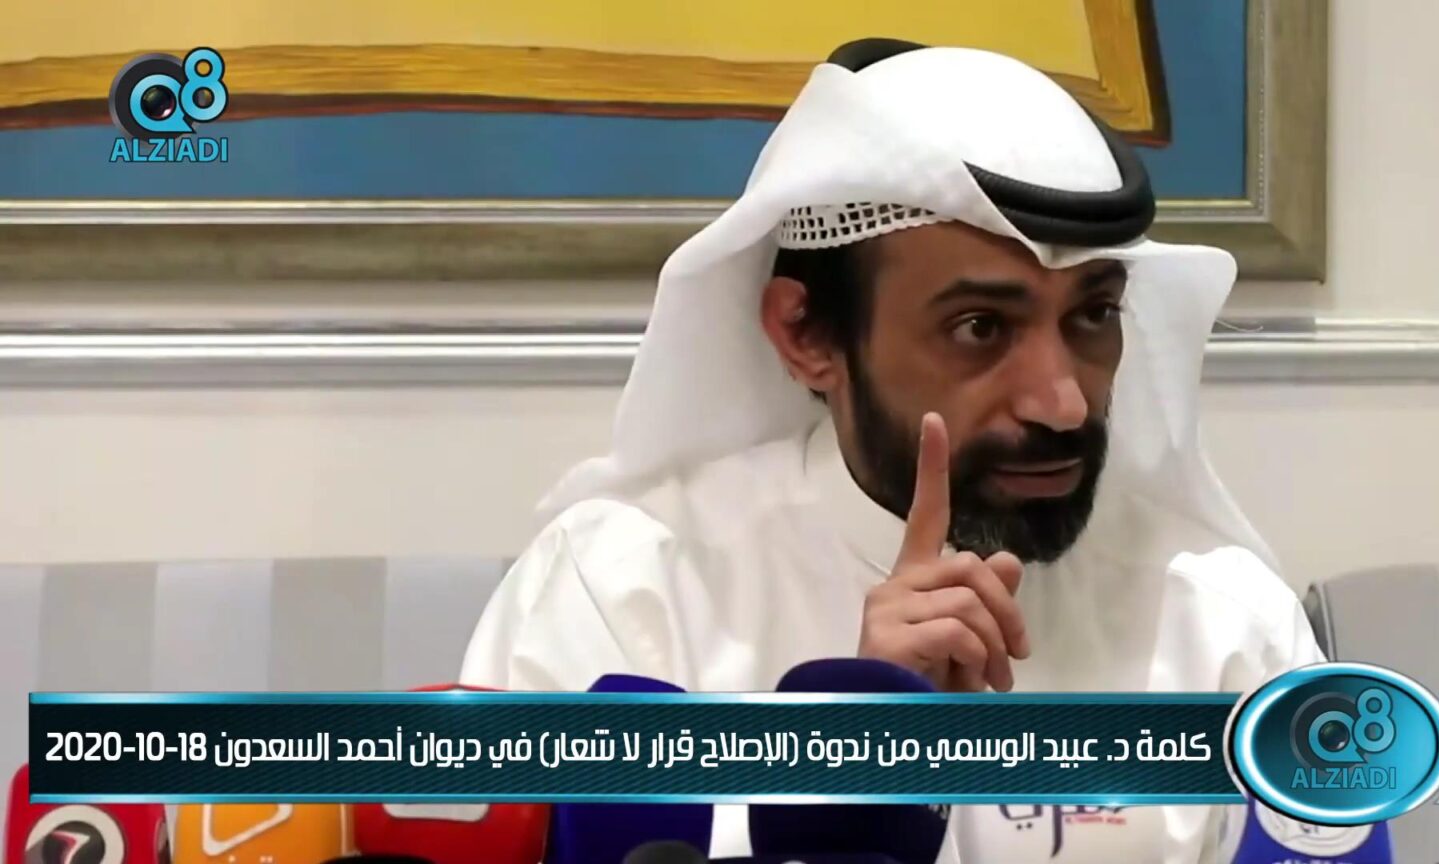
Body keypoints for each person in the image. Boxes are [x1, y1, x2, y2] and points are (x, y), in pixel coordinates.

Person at [461, 38, 1324, 862]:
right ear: (806, 336)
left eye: (1093, 315)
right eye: (980, 328)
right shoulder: (625, 594)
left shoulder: (1223, 623)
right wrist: (852, 756)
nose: (1063, 403)